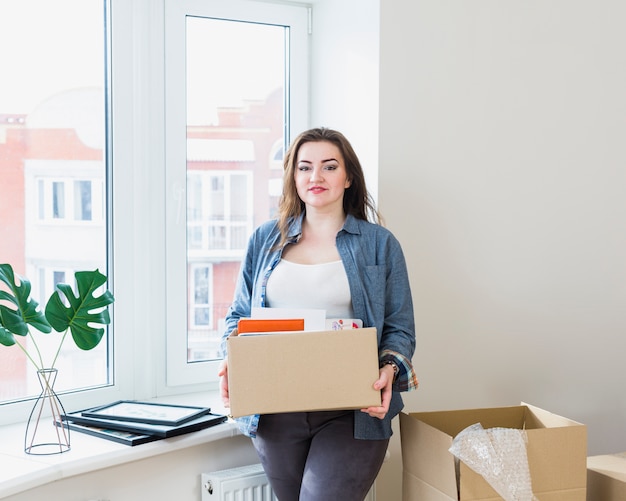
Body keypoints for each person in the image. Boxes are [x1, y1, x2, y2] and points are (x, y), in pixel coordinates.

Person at [218, 127, 418, 501]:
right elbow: (238, 316)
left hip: (353, 411)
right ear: (293, 176)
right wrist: (231, 360)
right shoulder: (265, 240)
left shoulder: (379, 245)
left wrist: (389, 369)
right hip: (274, 411)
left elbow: (400, 328)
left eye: (329, 167)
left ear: (348, 177)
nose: (316, 177)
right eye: (305, 167)